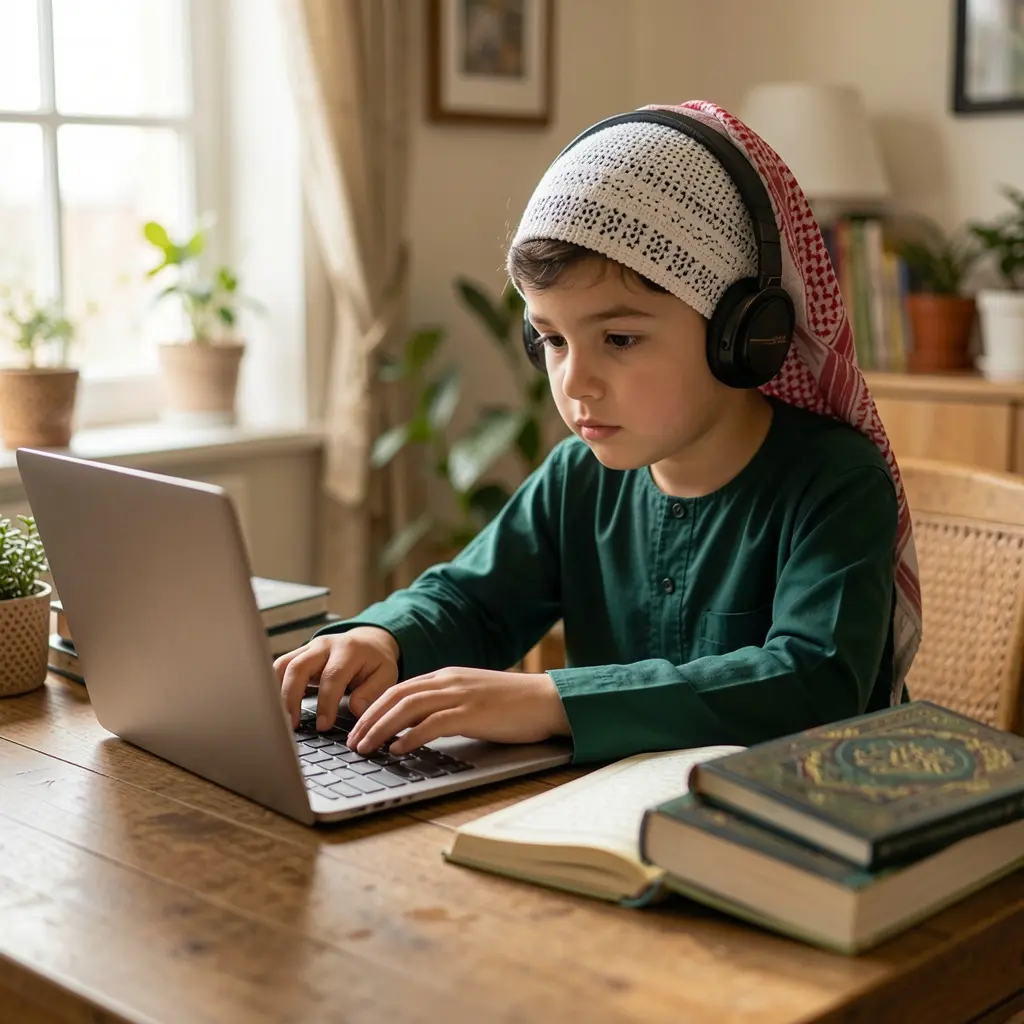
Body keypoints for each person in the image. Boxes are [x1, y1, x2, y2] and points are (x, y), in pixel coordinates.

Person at [276, 100, 922, 764]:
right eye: (552, 339)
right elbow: (473, 602)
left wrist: (552, 700)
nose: (574, 383)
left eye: (619, 338)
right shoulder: (575, 475)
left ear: (743, 336)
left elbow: (812, 682)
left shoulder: (835, 481)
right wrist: (385, 638)